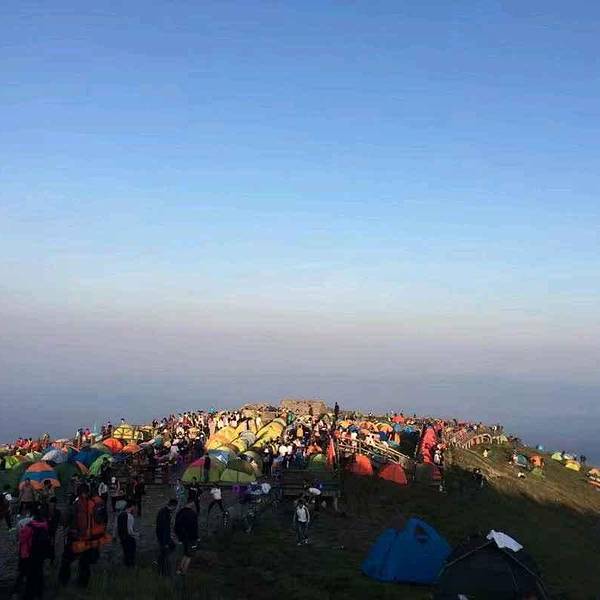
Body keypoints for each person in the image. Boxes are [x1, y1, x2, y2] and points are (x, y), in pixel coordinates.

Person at [18, 503, 51, 600]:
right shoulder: (45, 524)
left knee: (30, 575)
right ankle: (39, 592)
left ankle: (29, 595)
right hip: (41, 553)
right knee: (39, 571)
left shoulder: (28, 526)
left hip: (30, 553)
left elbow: (22, 539)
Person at [174, 499, 198, 575]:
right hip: (191, 537)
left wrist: (178, 536)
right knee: (189, 555)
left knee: (185, 554)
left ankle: (179, 569)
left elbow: (176, 526)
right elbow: (195, 527)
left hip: (182, 537)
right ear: (191, 504)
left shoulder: (180, 512)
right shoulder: (192, 514)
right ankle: (184, 572)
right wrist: (197, 537)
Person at [156, 498, 177, 576]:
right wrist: (166, 543)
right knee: (166, 556)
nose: (175, 509)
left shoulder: (162, 511)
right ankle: (165, 573)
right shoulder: (165, 513)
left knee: (163, 555)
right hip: (164, 539)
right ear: (173, 506)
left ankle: (161, 572)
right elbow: (165, 529)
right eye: (175, 507)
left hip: (162, 537)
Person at [117, 502, 138, 567]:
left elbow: (118, 527)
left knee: (126, 553)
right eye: (135, 507)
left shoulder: (120, 514)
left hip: (122, 538)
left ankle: (127, 566)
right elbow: (130, 531)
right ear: (132, 507)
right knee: (131, 553)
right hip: (129, 538)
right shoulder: (130, 516)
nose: (136, 509)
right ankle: (131, 566)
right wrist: (136, 535)